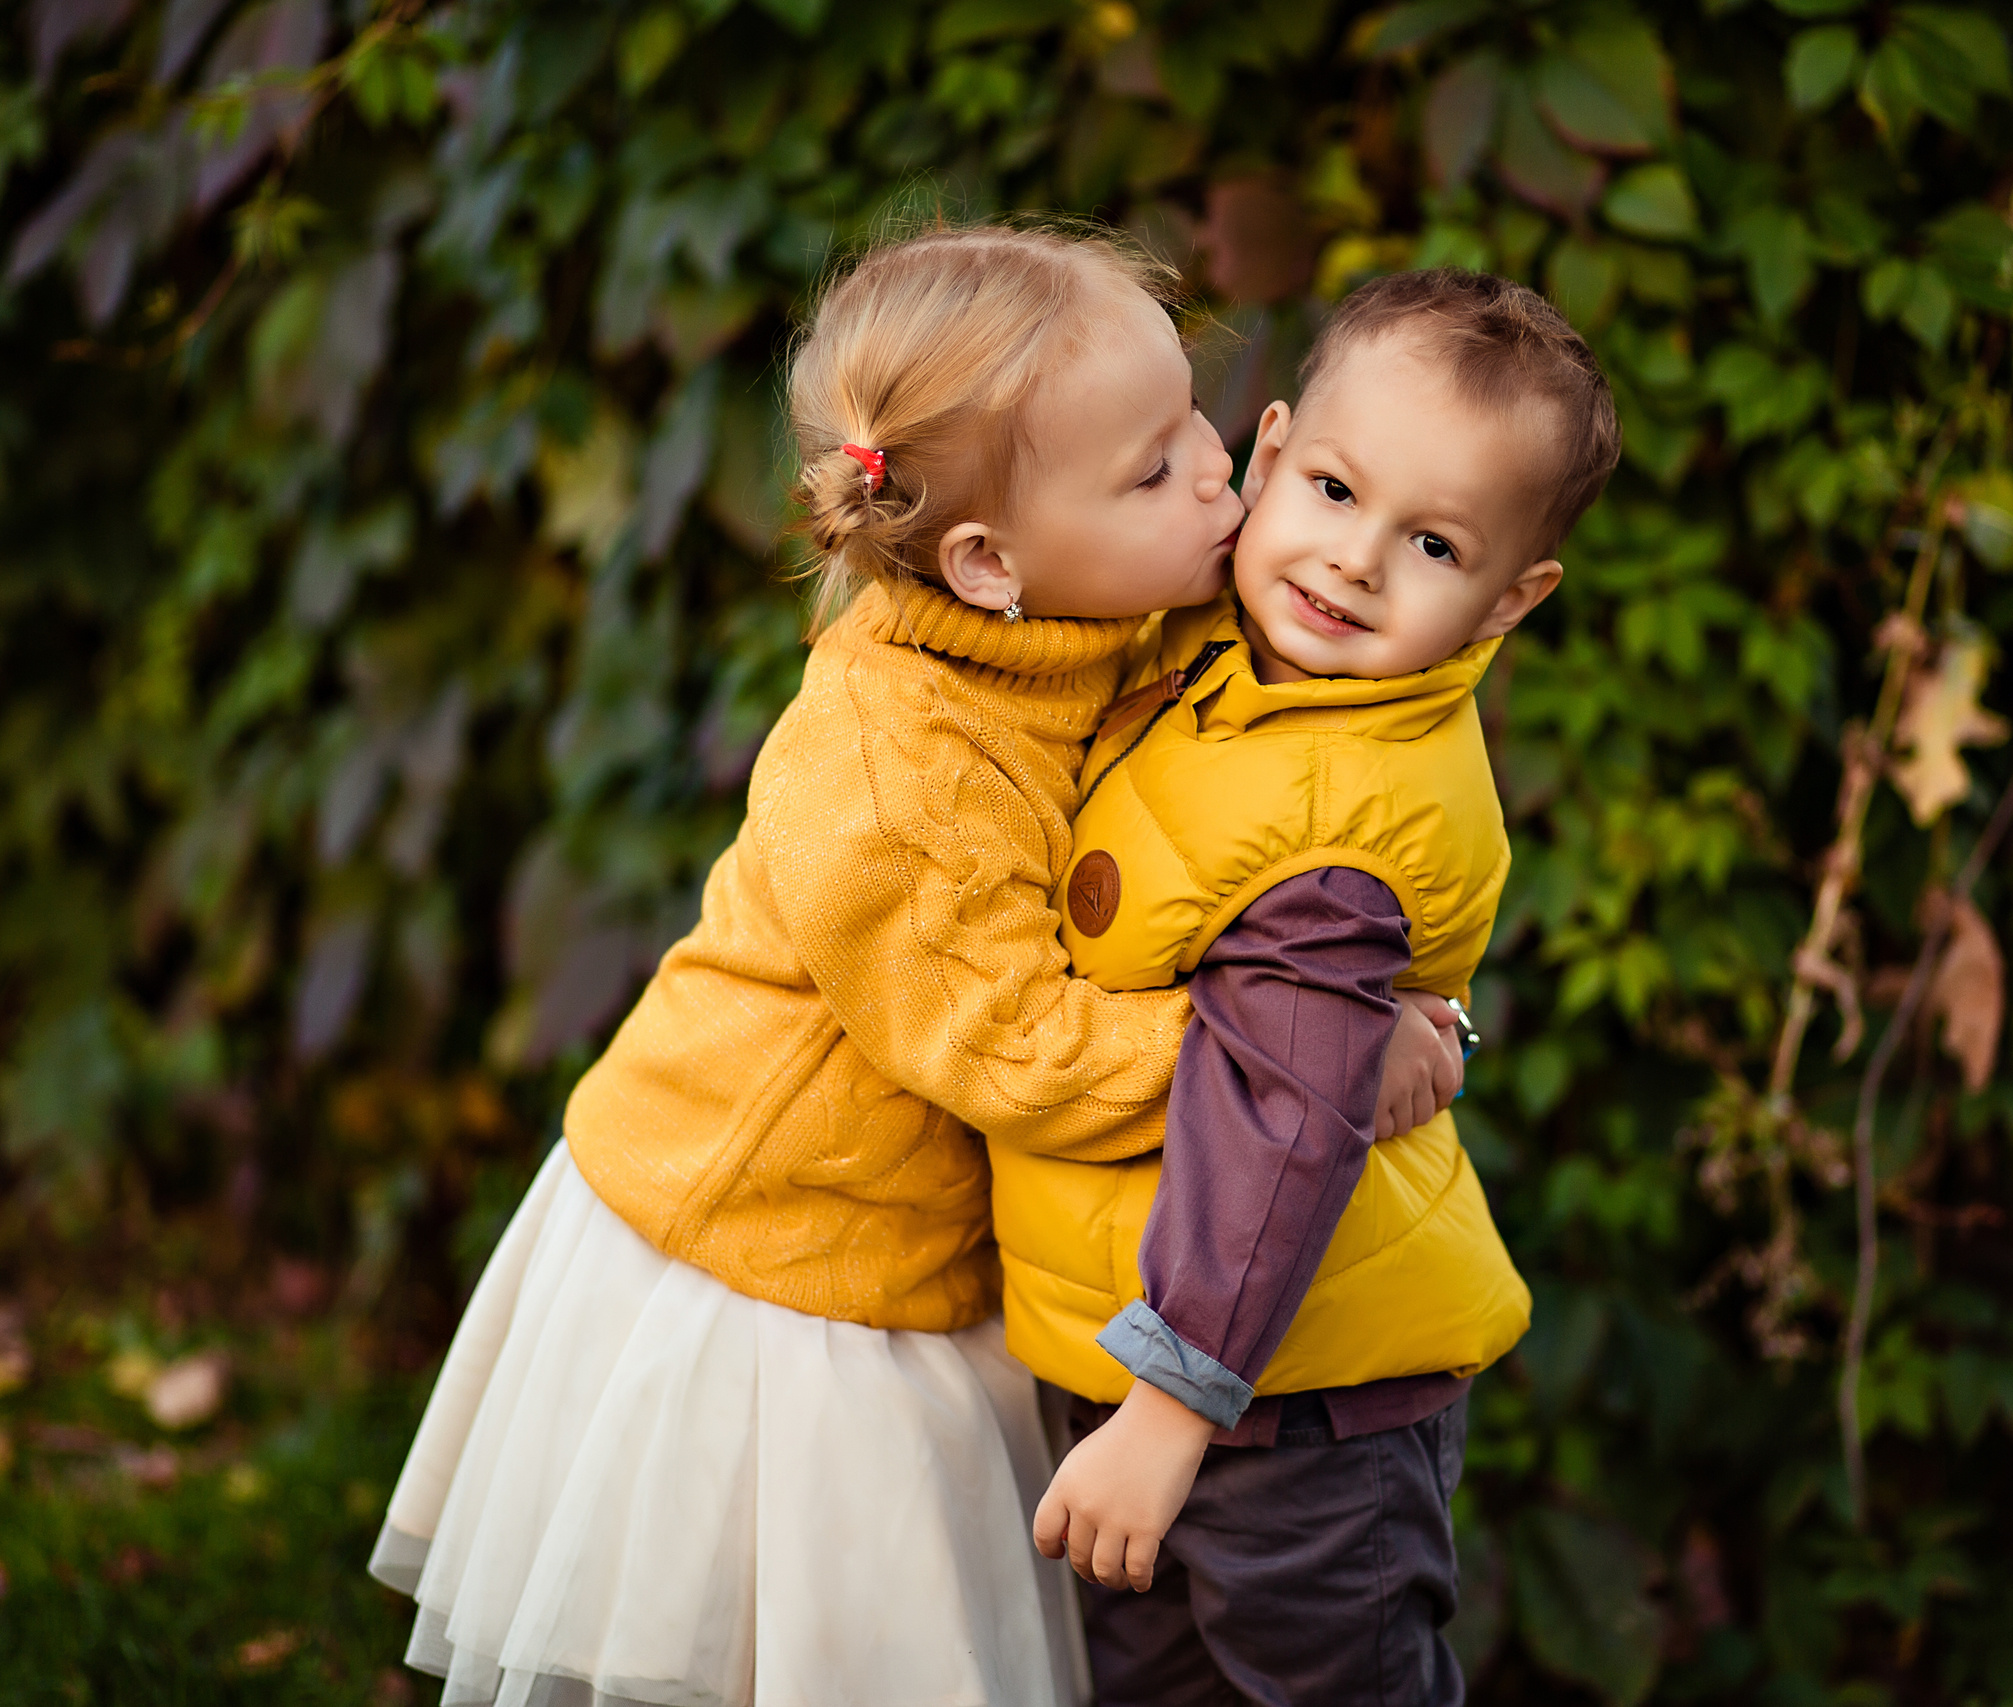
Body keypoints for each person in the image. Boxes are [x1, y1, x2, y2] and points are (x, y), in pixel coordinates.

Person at [365, 223, 1464, 1707]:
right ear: (986, 562)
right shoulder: (896, 772)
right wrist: (1307, 1063)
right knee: (802, 1648)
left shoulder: (1114, 604)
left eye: (1192, 422)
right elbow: (1015, 1047)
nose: (1216, 474)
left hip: (918, 1237)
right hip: (773, 1258)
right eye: (1151, 469)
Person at [1008, 269, 1625, 1706]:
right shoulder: (1221, 644)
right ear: (1267, 453)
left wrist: (1172, 1412)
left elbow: (1283, 1131)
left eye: (1430, 540)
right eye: (1337, 492)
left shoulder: (1342, 828)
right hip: (1168, 1350)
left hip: (1294, 1416)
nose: (1352, 562)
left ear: (1509, 598)